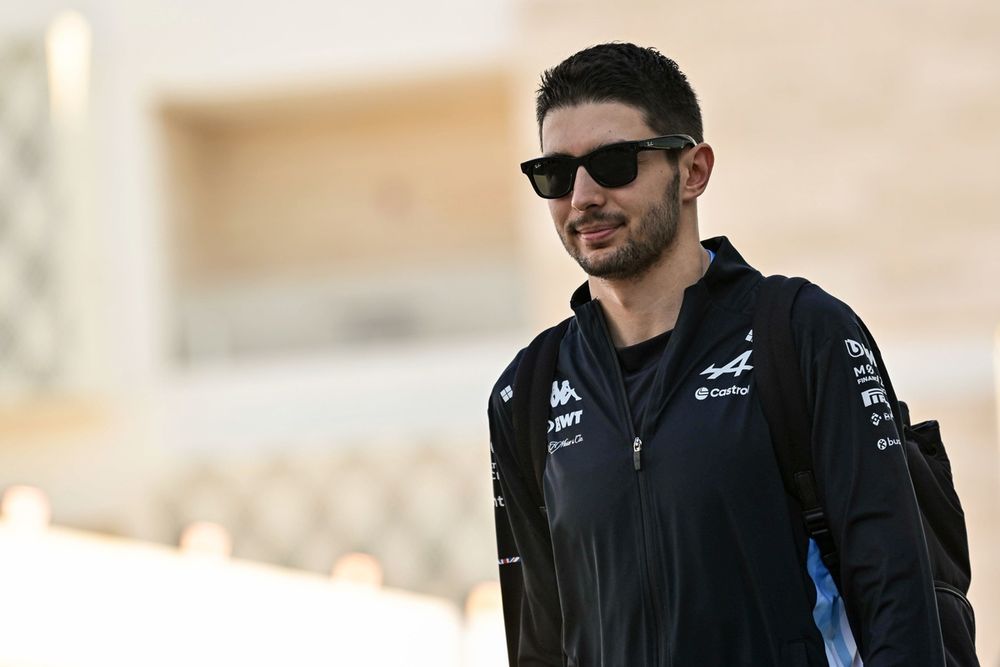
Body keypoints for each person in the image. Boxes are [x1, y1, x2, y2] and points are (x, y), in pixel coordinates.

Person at [488, 42, 945, 666]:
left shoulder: (802, 332)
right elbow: (539, 641)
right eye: (556, 175)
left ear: (693, 171)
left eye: (615, 163)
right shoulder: (527, 390)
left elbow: (898, 595)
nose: (583, 196)